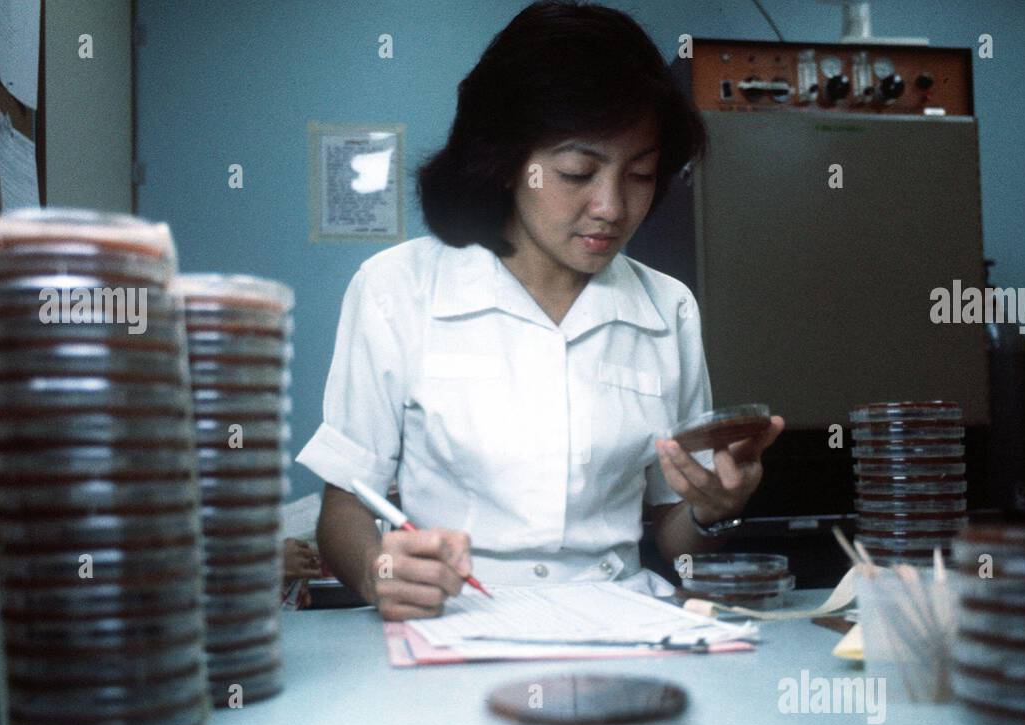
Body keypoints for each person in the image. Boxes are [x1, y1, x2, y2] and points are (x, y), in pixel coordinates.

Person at [297, 0, 783, 621]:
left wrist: (714, 510)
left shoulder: (669, 308)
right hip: (456, 619)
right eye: (577, 171)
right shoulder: (396, 289)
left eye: (640, 174)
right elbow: (345, 504)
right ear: (505, 161)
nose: (610, 206)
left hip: (623, 618)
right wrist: (378, 570)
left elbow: (669, 529)